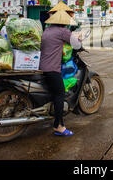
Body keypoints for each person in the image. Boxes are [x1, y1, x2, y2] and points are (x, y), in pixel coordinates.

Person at [40, 9, 81, 137]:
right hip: (52, 68)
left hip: (41, 66)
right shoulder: (63, 31)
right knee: (60, 93)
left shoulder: (47, 30)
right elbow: (77, 46)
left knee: (54, 92)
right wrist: (78, 40)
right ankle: (59, 126)